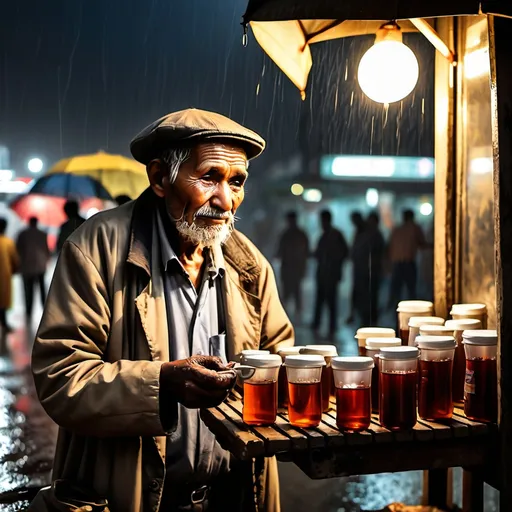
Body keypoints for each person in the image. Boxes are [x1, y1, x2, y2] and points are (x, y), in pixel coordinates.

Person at [30, 108, 293, 512]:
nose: (226, 200)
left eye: (236, 181)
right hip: (128, 498)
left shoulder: (249, 265)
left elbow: (280, 358)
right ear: (159, 178)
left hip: (229, 496)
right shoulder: (96, 249)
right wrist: (163, 383)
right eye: (209, 177)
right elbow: (60, 377)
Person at [311, 209, 348, 337]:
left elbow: (344, 253)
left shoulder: (333, 235)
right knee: (323, 301)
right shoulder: (327, 235)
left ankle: (327, 326)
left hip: (330, 274)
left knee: (329, 302)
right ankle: (322, 326)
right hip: (324, 273)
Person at [388, 209, 428, 306]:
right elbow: (422, 244)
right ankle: (411, 312)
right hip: (408, 263)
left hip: (397, 263)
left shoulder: (397, 229)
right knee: (411, 290)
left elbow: (389, 247)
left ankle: (396, 314)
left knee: (397, 291)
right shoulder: (415, 228)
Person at [16, 217, 50, 325]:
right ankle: (46, 310)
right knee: (41, 289)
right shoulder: (42, 234)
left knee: (28, 290)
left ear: (29, 222)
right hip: (40, 266)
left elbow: (17, 249)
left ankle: (28, 311)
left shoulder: (22, 234)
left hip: (26, 266)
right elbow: (46, 250)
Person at [276, 211, 309, 317]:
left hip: (292, 269)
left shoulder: (289, 235)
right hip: (291, 269)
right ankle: (291, 313)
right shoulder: (296, 234)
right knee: (292, 292)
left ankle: (288, 314)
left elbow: (280, 252)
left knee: (293, 292)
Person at [355, 212, 386, 325]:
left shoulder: (376, 236)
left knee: (372, 297)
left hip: (373, 271)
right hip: (365, 271)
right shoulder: (367, 235)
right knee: (366, 297)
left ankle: (371, 319)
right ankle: (367, 318)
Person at [346, 211, 366, 324]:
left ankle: (359, 316)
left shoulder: (363, 232)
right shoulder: (359, 231)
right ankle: (355, 315)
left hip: (362, 267)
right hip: (359, 266)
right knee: (357, 292)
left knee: (361, 292)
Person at [0, 218, 19, 337]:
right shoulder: (8, 242)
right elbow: (15, 260)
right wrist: (15, 269)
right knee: (2, 301)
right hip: (4, 276)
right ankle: (4, 323)